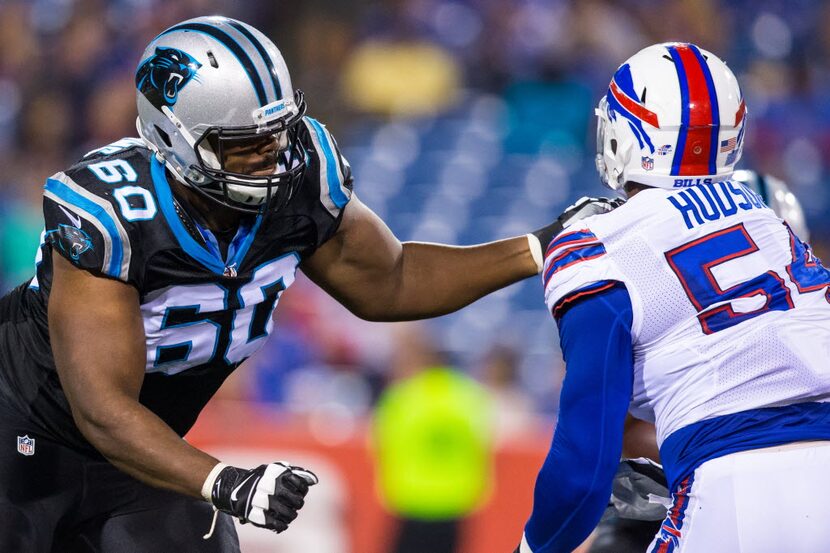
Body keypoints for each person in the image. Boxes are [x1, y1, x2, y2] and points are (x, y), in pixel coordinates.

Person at [0, 15, 597, 552]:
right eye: (245, 146)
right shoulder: (113, 212)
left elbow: (391, 281)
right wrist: (222, 479)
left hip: (141, 457)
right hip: (24, 431)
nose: (274, 157)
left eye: (279, 133)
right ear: (173, 140)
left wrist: (536, 247)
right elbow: (102, 409)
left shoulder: (304, 176)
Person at [516, 42, 830, 553]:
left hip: (730, 484)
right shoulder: (769, 219)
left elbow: (586, 462)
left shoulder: (596, 244)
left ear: (624, 134)